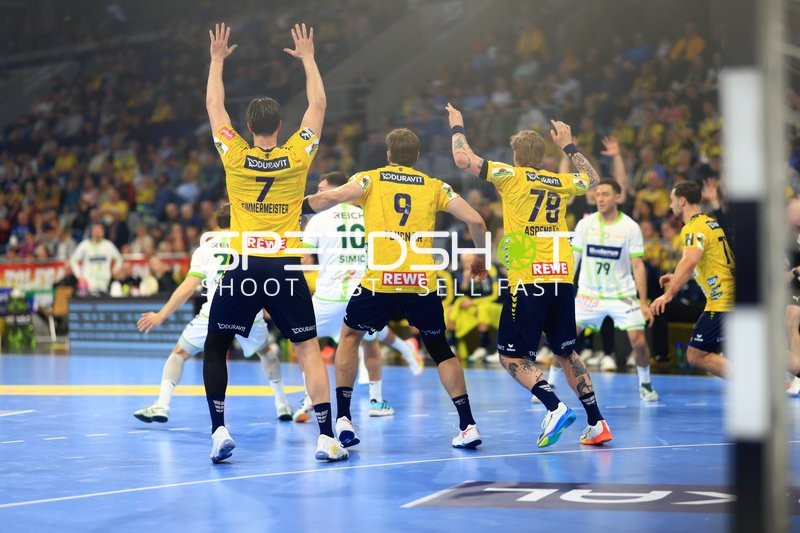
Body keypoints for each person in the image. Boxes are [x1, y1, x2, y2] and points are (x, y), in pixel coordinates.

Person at [204, 22, 346, 463]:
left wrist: (217, 60)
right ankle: (326, 437)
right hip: (285, 267)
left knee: (216, 345)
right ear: (282, 126)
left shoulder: (235, 154)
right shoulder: (298, 155)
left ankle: (219, 430)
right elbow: (318, 104)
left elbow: (214, 105)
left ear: (247, 127)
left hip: (245, 265)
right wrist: (308, 58)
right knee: (307, 349)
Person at [304, 128, 488, 450]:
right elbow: (477, 221)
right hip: (420, 281)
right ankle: (468, 425)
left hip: (381, 280)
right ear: (417, 157)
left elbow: (330, 198)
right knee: (441, 350)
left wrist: (293, 206)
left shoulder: (370, 179)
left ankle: (343, 418)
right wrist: (480, 258)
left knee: (350, 336)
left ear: (388, 154)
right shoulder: (435, 186)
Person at [446, 102, 612, 447]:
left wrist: (457, 125)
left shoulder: (510, 175)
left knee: (509, 355)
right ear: (542, 156)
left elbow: (463, 159)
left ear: (516, 156)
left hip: (528, 279)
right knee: (566, 352)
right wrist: (569, 145)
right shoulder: (560, 181)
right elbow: (594, 180)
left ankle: (554, 407)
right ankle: (597, 422)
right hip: (562, 278)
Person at [133, 206, 292, 424]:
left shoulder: (206, 248)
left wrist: (161, 315)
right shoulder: (252, 243)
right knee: (266, 351)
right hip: (249, 311)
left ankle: (162, 404)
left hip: (216, 311)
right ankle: (282, 403)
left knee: (179, 353)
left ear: (217, 223)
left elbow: (188, 288)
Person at [291, 171, 424, 423]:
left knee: (302, 342)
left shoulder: (318, 219)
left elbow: (304, 261)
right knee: (369, 344)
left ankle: (311, 396)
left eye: (321, 190)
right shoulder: (367, 214)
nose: (318, 194)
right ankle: (376, 401)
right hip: (362, 293)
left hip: (329, 296)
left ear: (335, 190)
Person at [565, 178, 659, 400]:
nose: (600, 198)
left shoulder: (630, 227)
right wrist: (563, 295)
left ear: (618, 197)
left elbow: (638, 265)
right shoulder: (584, 225)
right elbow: (573, 260)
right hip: (588, 295)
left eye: (605, 194)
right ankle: (549, 383)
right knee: (564, 339)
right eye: (597, 194)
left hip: (622, 295)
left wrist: (643, 302)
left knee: (639, 342)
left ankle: (645, 384)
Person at [650, 181, 734, 377]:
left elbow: (690, 260)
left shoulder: (692, 227)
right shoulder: (710, 222)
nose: (670, 205)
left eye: (672, 200)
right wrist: (677, 276)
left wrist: (668, 295)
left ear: (682, 201)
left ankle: (757, 384)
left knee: (696, 355)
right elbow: (708, 263)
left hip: (721, 301)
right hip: (731, 295)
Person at [70, 222, 122, 295]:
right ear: (91, 232)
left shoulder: (108, 245)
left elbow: (119, 258)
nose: (97, 233)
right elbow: (73, 260)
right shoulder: (85, 245)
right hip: (88, 286)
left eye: (99, 231)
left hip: (104, 285)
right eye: (95, 231)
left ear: (103, 232)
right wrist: (79, 276)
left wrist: (115, 270)